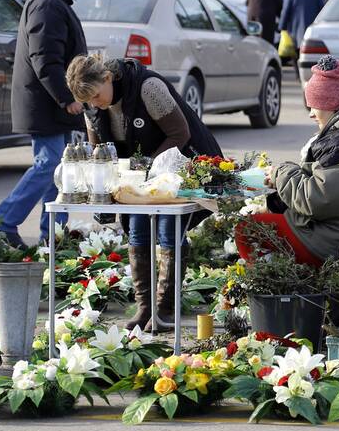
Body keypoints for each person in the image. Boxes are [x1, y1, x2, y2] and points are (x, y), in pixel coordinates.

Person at [66, 54, 222, 331]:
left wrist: (144, 168)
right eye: (88, 101)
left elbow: (179, 133)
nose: (95, 104)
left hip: (179, 164)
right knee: (137, 230)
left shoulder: (148, 87)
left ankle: (164, 310)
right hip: (136, 177)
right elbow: (99, 152)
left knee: (168, 231)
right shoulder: (93, 106)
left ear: (107, 78)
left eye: (97, 96)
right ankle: (145, 307)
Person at [235, 55, 339, 265]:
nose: (311, 115)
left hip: (337, 244)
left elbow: (316, 201)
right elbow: (329, 189)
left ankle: (273, 289)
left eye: (313, 106)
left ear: (331, 105)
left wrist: (281, 172)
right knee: (267, 219)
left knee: (248, 228)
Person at [0, 0, 86, 248]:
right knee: (49, 165)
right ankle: (3, 221)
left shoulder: (50, 1)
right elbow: (46, 60)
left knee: (60, 169)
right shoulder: (47, 4)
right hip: (45, 103)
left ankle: (54, 236)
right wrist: (67, 98)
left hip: (48, 102)